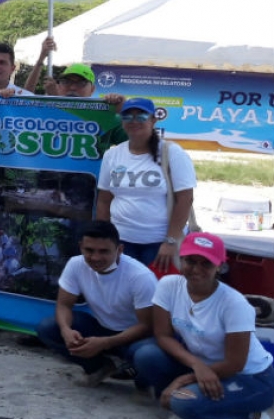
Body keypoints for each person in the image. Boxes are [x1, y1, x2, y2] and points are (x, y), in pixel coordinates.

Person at [134, 233, 274, 418]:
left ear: (220, 267)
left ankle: (245, 412)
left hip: (251, 377)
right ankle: (198, 402)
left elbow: (235, 363)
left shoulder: (234, 304)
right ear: (180, 260)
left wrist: (184, 379)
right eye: (190, 261)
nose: (196, 269)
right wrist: (197, 365)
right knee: (145, 355)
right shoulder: (168, 285)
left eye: (206, 263)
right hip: (204, 366)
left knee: (183, 401)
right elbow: (163, 335)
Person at [35, 222, 158, 388]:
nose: (96, 258)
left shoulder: (140, 277)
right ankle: (99, 367)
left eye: (104, 251)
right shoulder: (75, 264)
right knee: (48, 327)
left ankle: (143, 378)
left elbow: (147, 326)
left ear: (119, 250)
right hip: (102, 327)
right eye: (90, 250)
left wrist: (105, 342)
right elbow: (64, 305)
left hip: (136, 335)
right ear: (81, 247)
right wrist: (66, 331)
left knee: (146, 356)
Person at [95, 97, 195, 270]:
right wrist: (104, 239)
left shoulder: (172, 152)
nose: (134, 121)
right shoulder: (113, 155)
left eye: (141, 116)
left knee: (156, 295)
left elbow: (185, 199)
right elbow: (104, 200)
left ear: (153, 120)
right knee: (124, 295)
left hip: (158, 245)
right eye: (127, 117)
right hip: (121, 242)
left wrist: (170, 241)